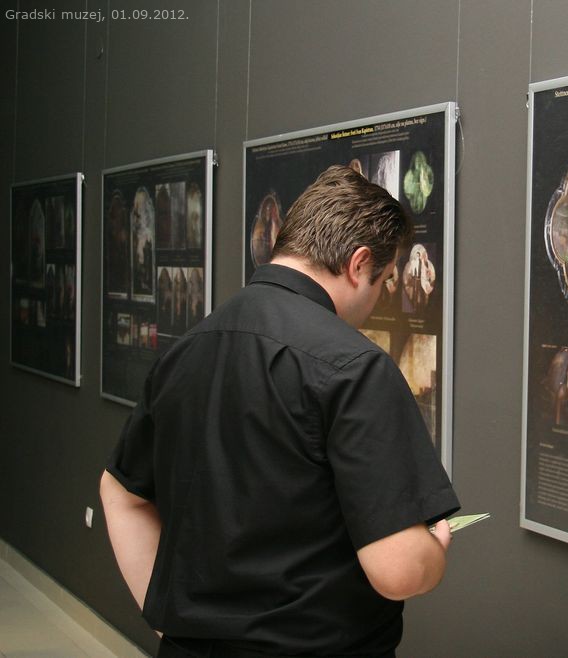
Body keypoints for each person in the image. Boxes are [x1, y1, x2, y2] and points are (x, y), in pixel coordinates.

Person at [100, 165, 460, 657]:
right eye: (384, 280)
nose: (379, 298)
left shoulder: (186, 349)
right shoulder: (356, 367)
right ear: (358, 264)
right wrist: (432, 551)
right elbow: (398, 571)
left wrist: (172, 624)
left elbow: (120, 492)